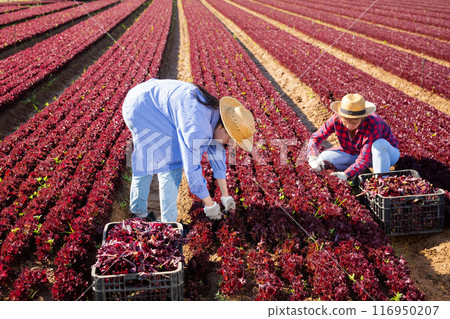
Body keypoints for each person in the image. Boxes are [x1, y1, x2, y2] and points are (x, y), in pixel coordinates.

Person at [122, 79, 255, 222]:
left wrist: (225, 195)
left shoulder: (216, 115)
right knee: (170, 164)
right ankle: (167, 222)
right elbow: (192, 171)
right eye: (230, 138)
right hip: (142, 107)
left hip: (146, 99)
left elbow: (217, 156)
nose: (230, 143)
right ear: (223, 128)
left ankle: (140, 211)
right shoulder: (198, 127)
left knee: (149, 158)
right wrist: (210, 205)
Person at [307, 93, 399, 181]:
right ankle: (360, 172)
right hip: (357, 154)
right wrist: (312, 156)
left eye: (354, 123)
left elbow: (364, 159)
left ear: (362, 117)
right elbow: (316, 137)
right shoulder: (336, 119)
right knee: (323, 159)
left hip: (386, 155)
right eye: (345, 122)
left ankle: (381, 181)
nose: (349, 126)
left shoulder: (373, 123)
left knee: (379, 144)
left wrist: (346, 175)